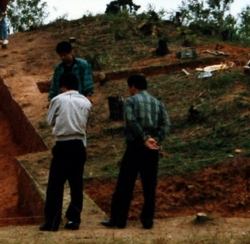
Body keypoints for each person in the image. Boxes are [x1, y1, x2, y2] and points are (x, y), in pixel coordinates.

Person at [102, 74, 171, 230]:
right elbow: (166, 124)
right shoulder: (158, 103)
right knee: (149, 185)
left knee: (125, 183)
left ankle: (119, 219)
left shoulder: (131, 102)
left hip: (135, 145)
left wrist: (143, 138)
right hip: (152, 148)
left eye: (129, 87)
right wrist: (156, 139)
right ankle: (148, 220)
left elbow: (131, 121)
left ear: (133, 86)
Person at [41, 71, 93, 232]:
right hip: (79, 144)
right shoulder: (86, 102)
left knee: (55, 184)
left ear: (62, 85)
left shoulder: (57, 100)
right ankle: (74, 219)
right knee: (76, 183)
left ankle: (53, 221)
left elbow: (50, 120)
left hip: (63, 144)